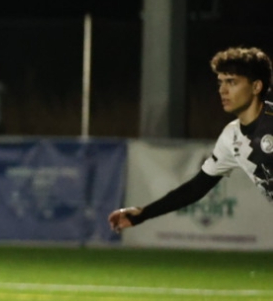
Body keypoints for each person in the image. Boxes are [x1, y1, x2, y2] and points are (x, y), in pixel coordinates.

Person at [110, 46, 273, 231]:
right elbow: (196, 188)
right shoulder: (231, 136)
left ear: (256, 86)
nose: (223, 90)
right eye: (220, 82)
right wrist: (144, 213)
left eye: (232, 82)